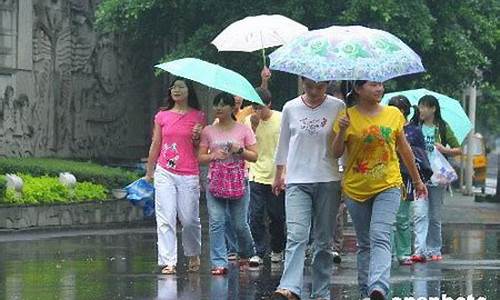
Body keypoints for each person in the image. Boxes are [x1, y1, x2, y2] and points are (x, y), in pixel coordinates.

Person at [332, 81, 428, 300]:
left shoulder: (393, 114)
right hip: (356, 188)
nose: (379, 89)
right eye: (373, 85)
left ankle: (379, 287)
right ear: (358, 89)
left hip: (388, 184)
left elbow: (404, 148)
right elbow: (336, 152)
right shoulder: (347, 115)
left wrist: (417, 180)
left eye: (381, 85)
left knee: (381, 235)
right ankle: (367, 290)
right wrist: (342, 131)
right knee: (365, 242)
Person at [270, 77, 344, 300]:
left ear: (327, 84)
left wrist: (346, 175)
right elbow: (283, 144)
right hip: (297, 180)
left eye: (320, 87)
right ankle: (290, 288)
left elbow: (343, 148)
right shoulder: (290, 107)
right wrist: (278, 175)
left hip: (328, 179)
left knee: (323, 240)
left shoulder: (338, 107)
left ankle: (321, 292)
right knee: (297, 235)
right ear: (302, 81)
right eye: (309, 86)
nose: (314, 91)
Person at [145, 77, 206, 275]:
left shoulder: (198, 116)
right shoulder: (162, 116)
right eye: (174, 87)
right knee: (166, 216)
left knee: (189, 219)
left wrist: (198, 136)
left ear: (189, 91)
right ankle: (168, 261)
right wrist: (150, 170)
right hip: (165, 171)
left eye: (181, 86)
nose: (176, 90)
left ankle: (193, 252)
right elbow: (156, 143)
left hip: (188, 172)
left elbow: (200, 148)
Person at [198, 92, 258, 275]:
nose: (218, 108)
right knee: (217, 221)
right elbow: (200, 157)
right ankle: (219, 262)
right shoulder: (208, 130)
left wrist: (239, 150)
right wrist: (213, 155)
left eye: (223, 105)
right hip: (215, 181)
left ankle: (247, 253)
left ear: (233, 108)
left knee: (239, 223)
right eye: (216, 105)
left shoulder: (243, 129)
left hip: (238, 180)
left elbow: (254, 156)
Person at [411, 95, 461, 263]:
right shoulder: (414, 127)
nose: (421, 110)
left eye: (424, 106)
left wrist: (444, 150)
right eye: (419, 106)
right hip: (419, 175)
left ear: (433, 108)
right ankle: (419, 250)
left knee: (434, 216)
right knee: (419, 214)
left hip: (438, 177)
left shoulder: (442, 127)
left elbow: (458, 149)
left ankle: (434, 249)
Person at [388, 95, 431, 266]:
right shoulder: (385, 126)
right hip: (386, 176)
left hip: (405, 177)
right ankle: (386, 253)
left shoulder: (413, 131)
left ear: (403, 111)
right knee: (387, 219)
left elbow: (420, 155)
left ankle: (403, 252)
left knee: (402, 217)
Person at [245, 87, 286, 267]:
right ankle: (259, 251)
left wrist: (285, 173)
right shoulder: (249, 120)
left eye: (260, 107)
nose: (257, 111)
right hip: (256, 173)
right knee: (255, 214)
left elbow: (287, 146)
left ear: (269, 104)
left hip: (277, 174)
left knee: (276, 216)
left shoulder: (281, 118)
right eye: (254, 107)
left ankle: (277, 249)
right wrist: (253, 126)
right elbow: (248, 145)